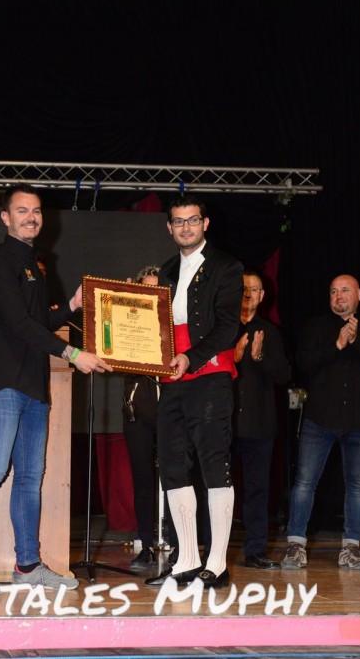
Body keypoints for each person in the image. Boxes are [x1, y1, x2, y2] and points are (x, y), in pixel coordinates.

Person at [0, 185, 111, 591]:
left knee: (29, 477)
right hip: (3, 381)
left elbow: (38, 319)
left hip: (33, 384)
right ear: (5, 217)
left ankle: (27, 565)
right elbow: (18, 323)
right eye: (22, 210)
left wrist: (72, 306)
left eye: (37, 211)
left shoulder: (33, 265)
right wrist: (73, 353)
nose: (31, 217)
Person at [145, 194, 243, 589]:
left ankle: (216, 563)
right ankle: (186, 559)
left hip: (209, 374)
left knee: (213, 463)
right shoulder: (166, 270)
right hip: (172, 378)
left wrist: (191, 357)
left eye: (193, 220)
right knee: (172, 466)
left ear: (205, 224)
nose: (186, 227)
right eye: (179, 221)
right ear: (169, 228)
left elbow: (228, 326)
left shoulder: (227, 266)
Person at [282, 274, 360, 570]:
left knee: (357, 486)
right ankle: (295, 545)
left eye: (345, 291)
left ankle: (351, 548)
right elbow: (303, 364)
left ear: (359, 294)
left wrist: (357, 341)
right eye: (333, 292)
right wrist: (338, 344)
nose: (338, 296)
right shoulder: (316, 326)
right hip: (320, 419)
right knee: (304, 483)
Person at [232, 270, 290, 569]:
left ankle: (255, 550)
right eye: (243, 288)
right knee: (217, 491)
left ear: (262, 296)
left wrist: (258, 357)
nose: (248, 293)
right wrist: (234, 357)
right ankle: (211, 551)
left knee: (257, 490)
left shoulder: (270, 332)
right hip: (224, 423)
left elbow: (284, 375)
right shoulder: (222, 327)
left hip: (259, 424)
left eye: (254, 289)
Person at [122, 265, 167, 569]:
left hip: (171, 409)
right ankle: (146, 544)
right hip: (137, 411)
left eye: (157, 289)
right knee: (142, 479)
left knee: (176, 477)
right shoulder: (128, 322)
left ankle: (180, 545)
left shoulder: (174, 322)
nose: (152, 294)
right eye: (146, 288)